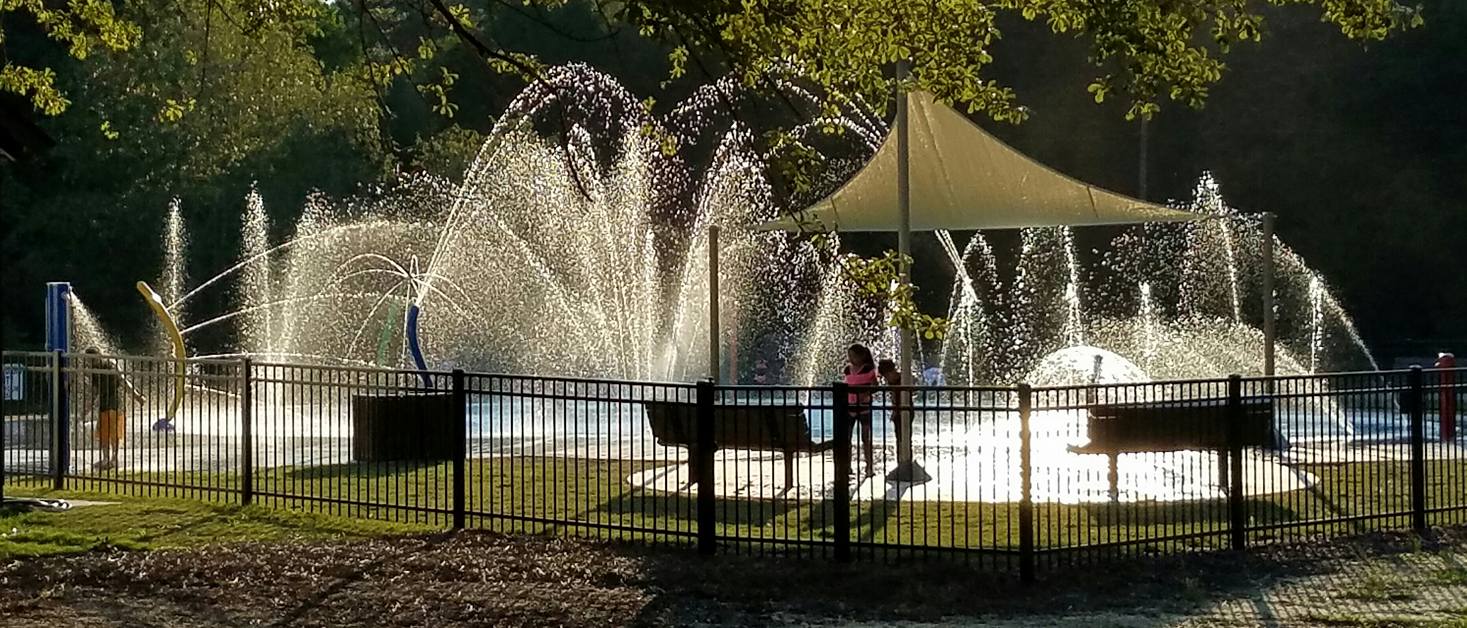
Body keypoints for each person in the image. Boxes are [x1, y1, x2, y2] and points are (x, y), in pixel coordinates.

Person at [84, 348, 146, 471]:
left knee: (114, 433)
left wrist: (136, 396)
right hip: (104, 403)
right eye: (89, 360)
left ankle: (114, 458)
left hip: (115, 403)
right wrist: (88, 407)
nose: (91, 362)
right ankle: (106, 458)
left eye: (92, 359)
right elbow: (94, 391)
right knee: (103, 433)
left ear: (99, 356)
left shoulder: (110, 365)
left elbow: (123, 381)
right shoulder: (93, 371)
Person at [843, 344, 878, 477]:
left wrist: (866, 393)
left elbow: (875, 386)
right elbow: (846, 384)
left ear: (861, 356)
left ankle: (869, 466)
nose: (851, 359)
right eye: (849, 356)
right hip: (850, 407)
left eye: (853, 356)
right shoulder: (847, 369)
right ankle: (847, 466)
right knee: (847, 438)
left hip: (864, 407)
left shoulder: (868, 369)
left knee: (865, 437)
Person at [878, 359, 909, 445]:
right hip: (899, 410)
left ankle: (905, 455)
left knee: (904, 436)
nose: (887, 378)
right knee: (899, 436)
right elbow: (894, 397)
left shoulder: (903, 380)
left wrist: (895, 411)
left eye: (886, 376)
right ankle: (900, 455)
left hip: (905, 409)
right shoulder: (893, 381)